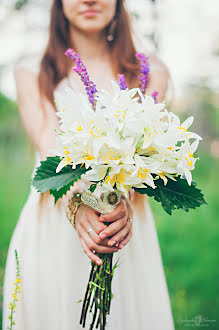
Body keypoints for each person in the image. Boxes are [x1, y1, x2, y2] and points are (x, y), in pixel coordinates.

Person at [2, 0, 175, 329]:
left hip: (121, 226)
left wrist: (116, 201)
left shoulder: (150, 72)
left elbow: (146, 152)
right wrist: (78, 203)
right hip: (53, 224)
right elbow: (49, 145)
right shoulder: (33, 71)